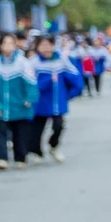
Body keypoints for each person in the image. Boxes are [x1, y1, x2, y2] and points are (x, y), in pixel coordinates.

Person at [30, 34, 83, 163]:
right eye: (43, 45)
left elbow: (75, 77)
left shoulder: (61, 60)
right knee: (37, 129)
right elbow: (30, 84)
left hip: (57, 103)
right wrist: (48, 80)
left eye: (49, 45)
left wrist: (69, 95)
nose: (46, 48)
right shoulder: (34, 62)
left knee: (59, 126)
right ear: (37, 47)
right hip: (40, 103)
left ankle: (53, 146)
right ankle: (37, 152)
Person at [0, 34, 38, 168]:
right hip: (1, 105)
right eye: (5, 43)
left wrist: (29, 98)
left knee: (20, 133)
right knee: (0, 132)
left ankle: (20, 158)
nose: (8, 46)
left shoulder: (22, 62)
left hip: (19, 105)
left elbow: (31, 83)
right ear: (0, 46)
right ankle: (1, 158)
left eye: (11, 43)